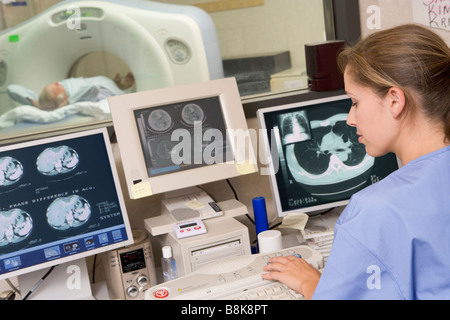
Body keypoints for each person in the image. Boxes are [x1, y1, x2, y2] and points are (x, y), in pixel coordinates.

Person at [262, 24, 450, 300]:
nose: (350, 119)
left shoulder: (377, 211)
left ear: (395, 100)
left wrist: (311, 284)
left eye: (355, 102)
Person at [36, 72, 135, 111]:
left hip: (99, 80)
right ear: (63, 98)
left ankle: (118, 83)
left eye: (56, 84)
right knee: (118, 91)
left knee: (112, 85)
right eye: (57, 86)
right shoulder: (73, 97)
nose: (56, 82)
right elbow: (94, 88)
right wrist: (69, 102)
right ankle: (122, 85)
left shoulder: (62, 86)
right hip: (104, 89)